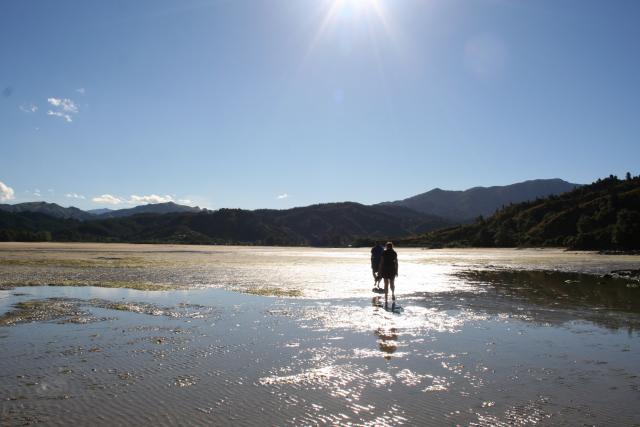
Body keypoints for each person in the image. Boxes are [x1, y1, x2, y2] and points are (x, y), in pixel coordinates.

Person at [378, 241, 398, 306]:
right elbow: (396, 263)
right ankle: (393, 294)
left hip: (385, 269)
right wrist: (397, 271)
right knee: (392, 283)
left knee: (386, 284)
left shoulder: (384, 252)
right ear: (392, 246)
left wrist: (379, 271)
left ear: (386, 246)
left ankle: (386, 298)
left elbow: (381, 262)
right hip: (392, 269)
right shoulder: (394, 253)